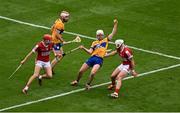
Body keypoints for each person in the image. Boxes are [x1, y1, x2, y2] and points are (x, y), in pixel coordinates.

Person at [71, 19, 118, 90]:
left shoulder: (106, 40)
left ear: (103, 35)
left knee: (92, 73)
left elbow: (113, 32)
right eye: (98, 35)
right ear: (96, 36)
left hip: (99, 60)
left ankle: (88, 84)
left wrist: (115, 24)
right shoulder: (94, 43)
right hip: (92, 58)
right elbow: (90, 52)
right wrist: (83, 48)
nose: (99, 36)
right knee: (81, 71)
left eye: (101, 35)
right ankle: (76, 81)